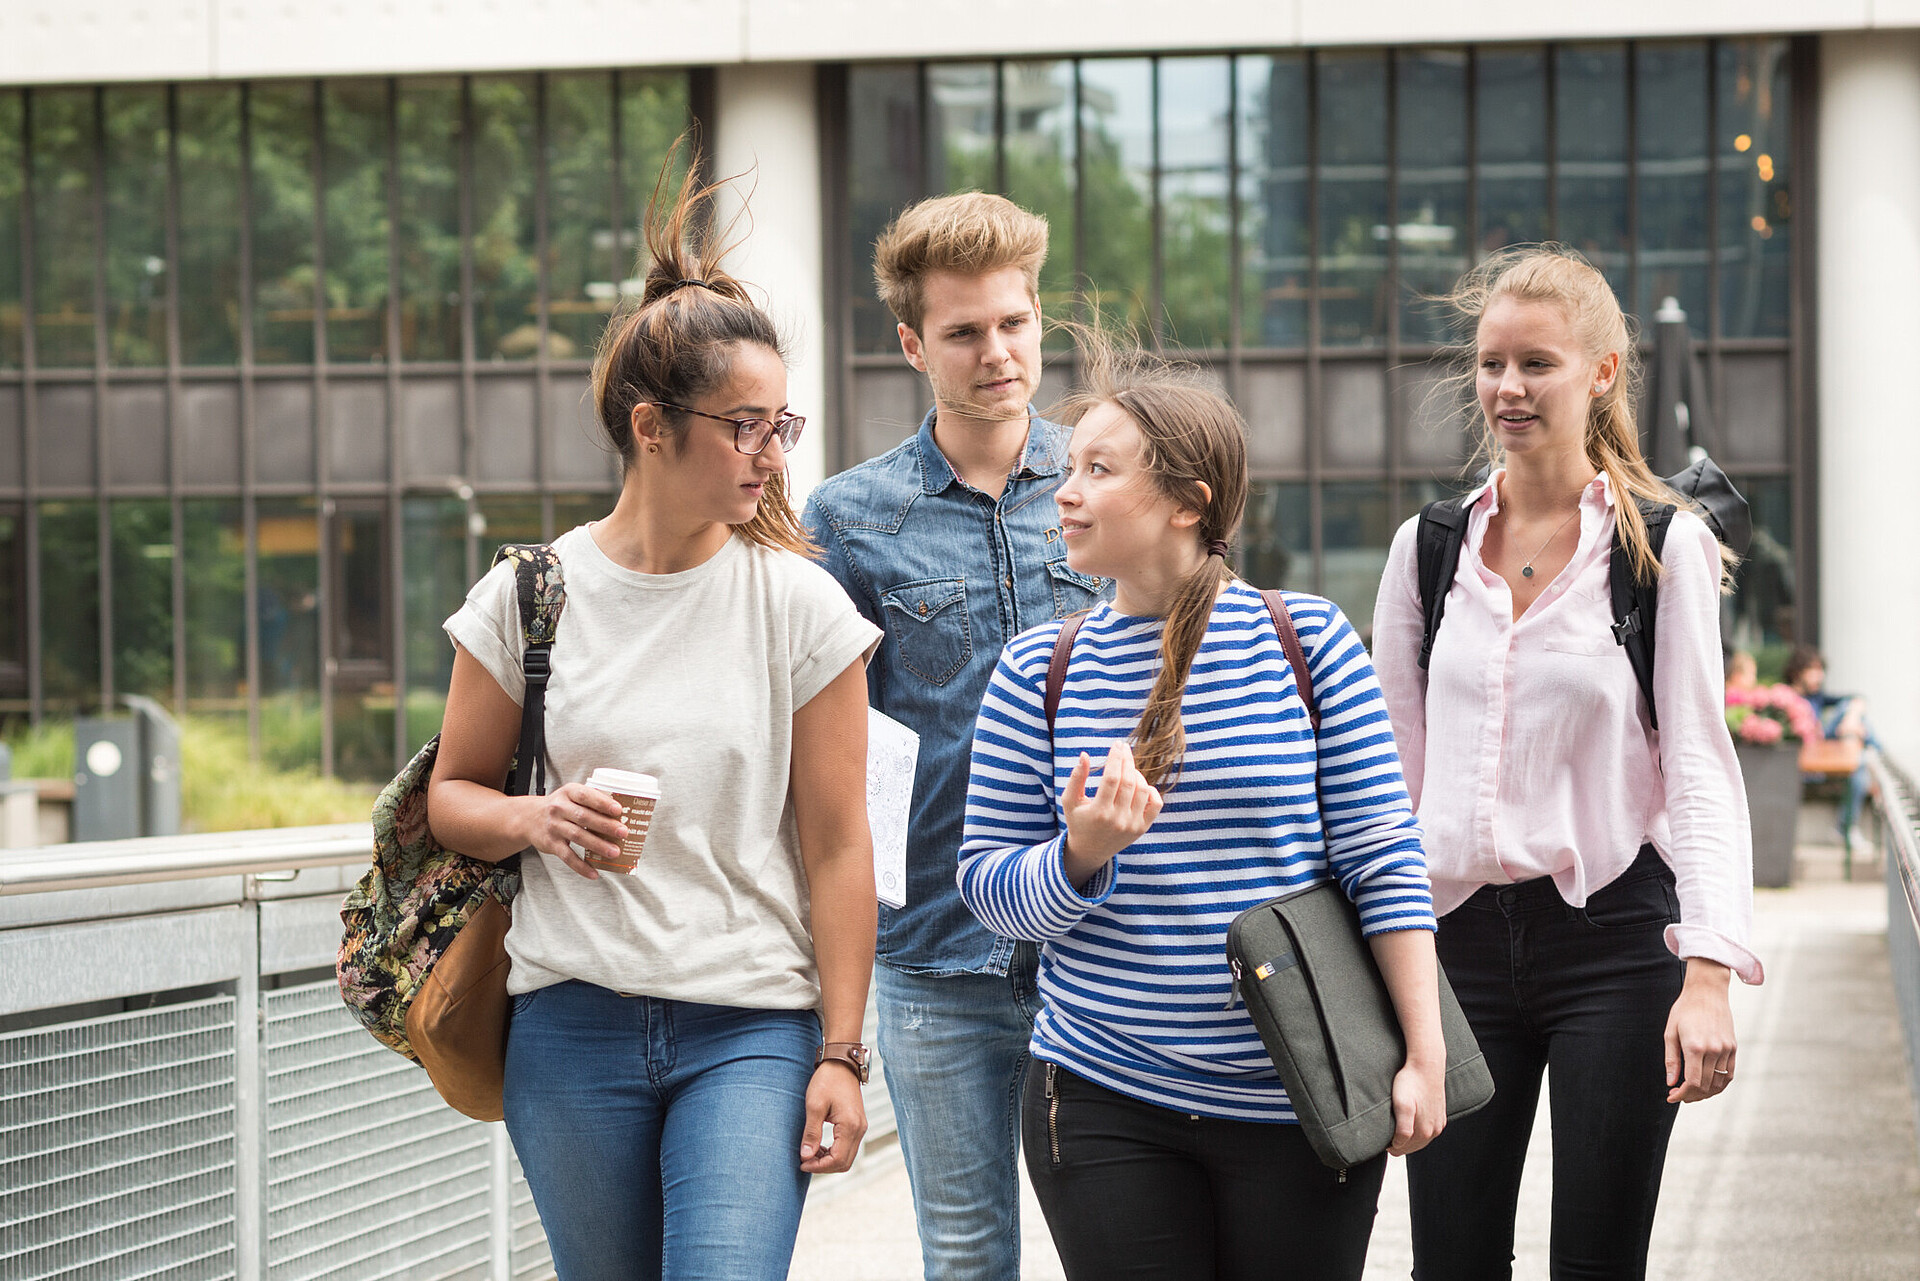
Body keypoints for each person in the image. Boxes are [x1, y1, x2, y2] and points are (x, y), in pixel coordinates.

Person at [426, 162, 883, 1281]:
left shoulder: (800, 604)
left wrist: (842, 1054)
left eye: (784, 425)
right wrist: (538, 819)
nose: (776, 456)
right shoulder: (528, 596)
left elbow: (838, 845)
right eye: (747, 428)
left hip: (752, 1031)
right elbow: (452, 799)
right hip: (569, 1026)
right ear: (652, 427)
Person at [957, 334, 1446, 1281]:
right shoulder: (1036, 671)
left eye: (1099, 470)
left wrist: (1422, 1053)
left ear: (1190, 501)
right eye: (1068, 468)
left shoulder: (1305, 640)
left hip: (1300, 1092)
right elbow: (983, 884)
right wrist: (1079, 856)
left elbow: (1383, 860)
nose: (1066, 492)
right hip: (1098, 1090)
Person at [1370, 244, 1764, 1281]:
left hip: (1615, 943)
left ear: (1600, 373)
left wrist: (1710, 974)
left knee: (1598, 1257)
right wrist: (1382, 955)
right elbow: (1387, 778)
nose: (1507, 387)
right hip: (1452, 949)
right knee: (1450, 1261)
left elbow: (1699, 768)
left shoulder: (1658, 545)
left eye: (1536, 364)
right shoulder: (1426, 549)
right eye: (1492, 364)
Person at [802, 193, 1107, 1281]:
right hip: (935, 951)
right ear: (911, 344)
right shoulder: (845, 520)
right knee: (968, 1258)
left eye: (1015, 323)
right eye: (965, 332)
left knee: (1124, 1250)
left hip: (1109, 943)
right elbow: (823, 762)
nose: (998, 353)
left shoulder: (1111, 483)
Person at [1785, 644, 1878, 844]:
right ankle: (1876, 756)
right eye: (1813, 670)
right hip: (1806, 760)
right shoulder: (1786, 699)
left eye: (1821, 670)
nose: (1819, 676)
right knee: (1859, 758)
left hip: (1821, 751)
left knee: (1858, 760)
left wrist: (1851, 720)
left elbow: (1858, 699)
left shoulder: (1816, 697)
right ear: (1796, 671)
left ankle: (1869, 755)